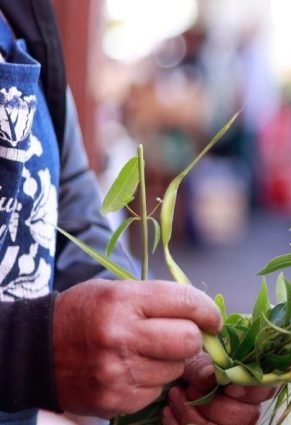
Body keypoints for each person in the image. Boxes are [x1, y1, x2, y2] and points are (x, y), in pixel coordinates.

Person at [0, 2, 273, 424]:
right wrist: (30, 350)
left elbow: (70, 211)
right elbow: (40, 348)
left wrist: (153, 369)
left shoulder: (24, 17)